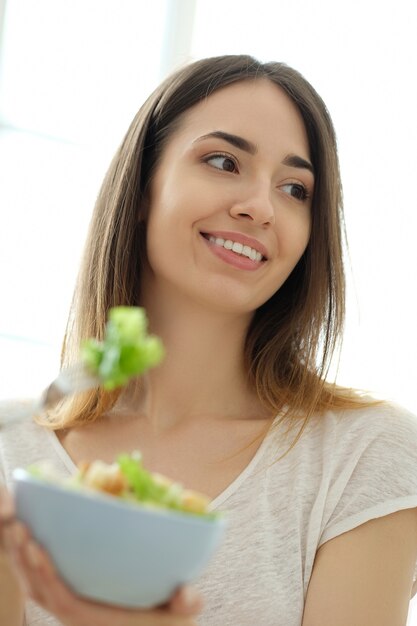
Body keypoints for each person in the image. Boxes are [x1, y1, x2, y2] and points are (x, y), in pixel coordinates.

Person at [1, 54, 417, 626]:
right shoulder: (11, 456)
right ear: (143, 186)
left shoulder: (363, 455)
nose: (260, 207)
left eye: (295, 189)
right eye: (223, 161)